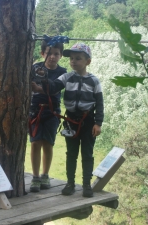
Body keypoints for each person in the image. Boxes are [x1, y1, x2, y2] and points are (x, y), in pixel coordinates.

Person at [32, 43, 104, 197]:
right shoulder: (66, 77)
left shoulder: (94, 81)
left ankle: (86, 185)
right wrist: (44, 78)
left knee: (87, 153)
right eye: (71, 58)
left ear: (88, 61)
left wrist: (98, 123)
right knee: (71, 153)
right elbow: (52, 88)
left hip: (88, 121)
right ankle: (70, 183)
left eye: (78, 58)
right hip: (71, 121)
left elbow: (99, 103)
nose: (73, 61)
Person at [29, 40, 67, 192]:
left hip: (52, 111)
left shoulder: (62, 72)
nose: (52, 57)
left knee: (48, 143)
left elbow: (55, 90)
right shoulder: (35, 68)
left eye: (56, 54)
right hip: (34, 110)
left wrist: (38, 89)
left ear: (61, 55)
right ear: (42, 53)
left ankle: (45, 174)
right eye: (49, 53)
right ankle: (36, 176)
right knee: (35, 142)